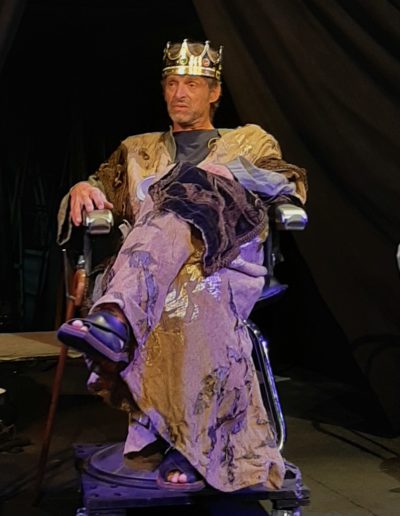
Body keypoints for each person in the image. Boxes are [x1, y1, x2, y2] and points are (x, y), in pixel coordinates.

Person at [56, 39, 307, 493]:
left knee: (181, 206)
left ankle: (115, 319)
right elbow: (102, 185)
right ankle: (188, 444)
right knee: (180, 293)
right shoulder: (137, 149)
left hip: (223, 263)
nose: (180, 93)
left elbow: (287, 183)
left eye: (192, 83)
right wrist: (81, 187)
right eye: (172, 83)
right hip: (148, 270)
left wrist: (227, 176)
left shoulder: (248, 141)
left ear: (215, 92)